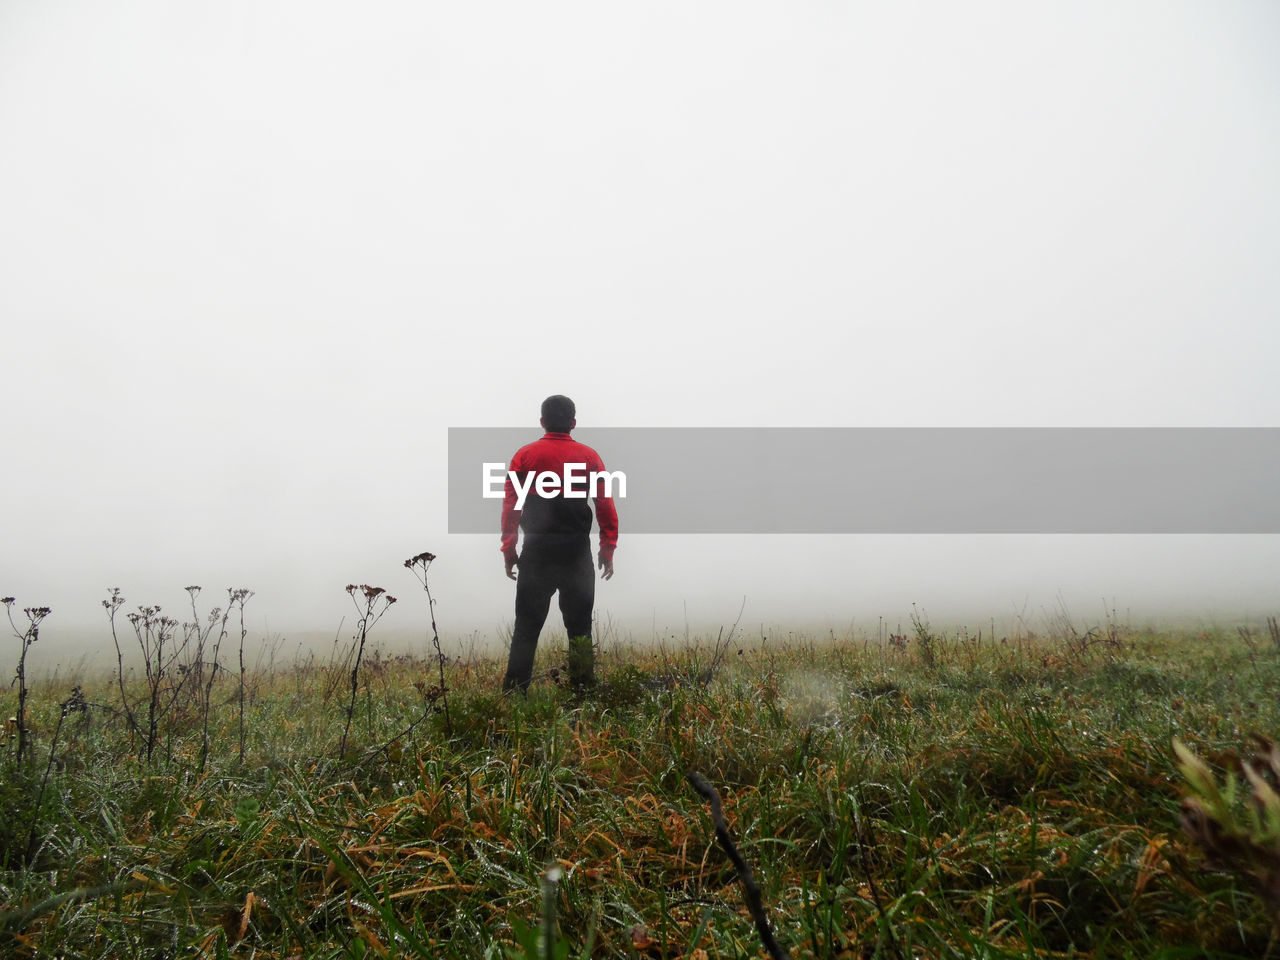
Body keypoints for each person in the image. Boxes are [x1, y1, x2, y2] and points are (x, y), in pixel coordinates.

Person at [500, 395, 618, 693]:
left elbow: (511, 507)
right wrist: (607, 548)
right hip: (576, 556)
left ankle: (515, 694)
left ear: (542, 422)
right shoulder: (590, 457)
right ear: (573, 423)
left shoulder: (525, 456)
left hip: (537, 554)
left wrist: (509, 549)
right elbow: (604, 504)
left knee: (526, 628)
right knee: (580, 629)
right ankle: (582, 692)